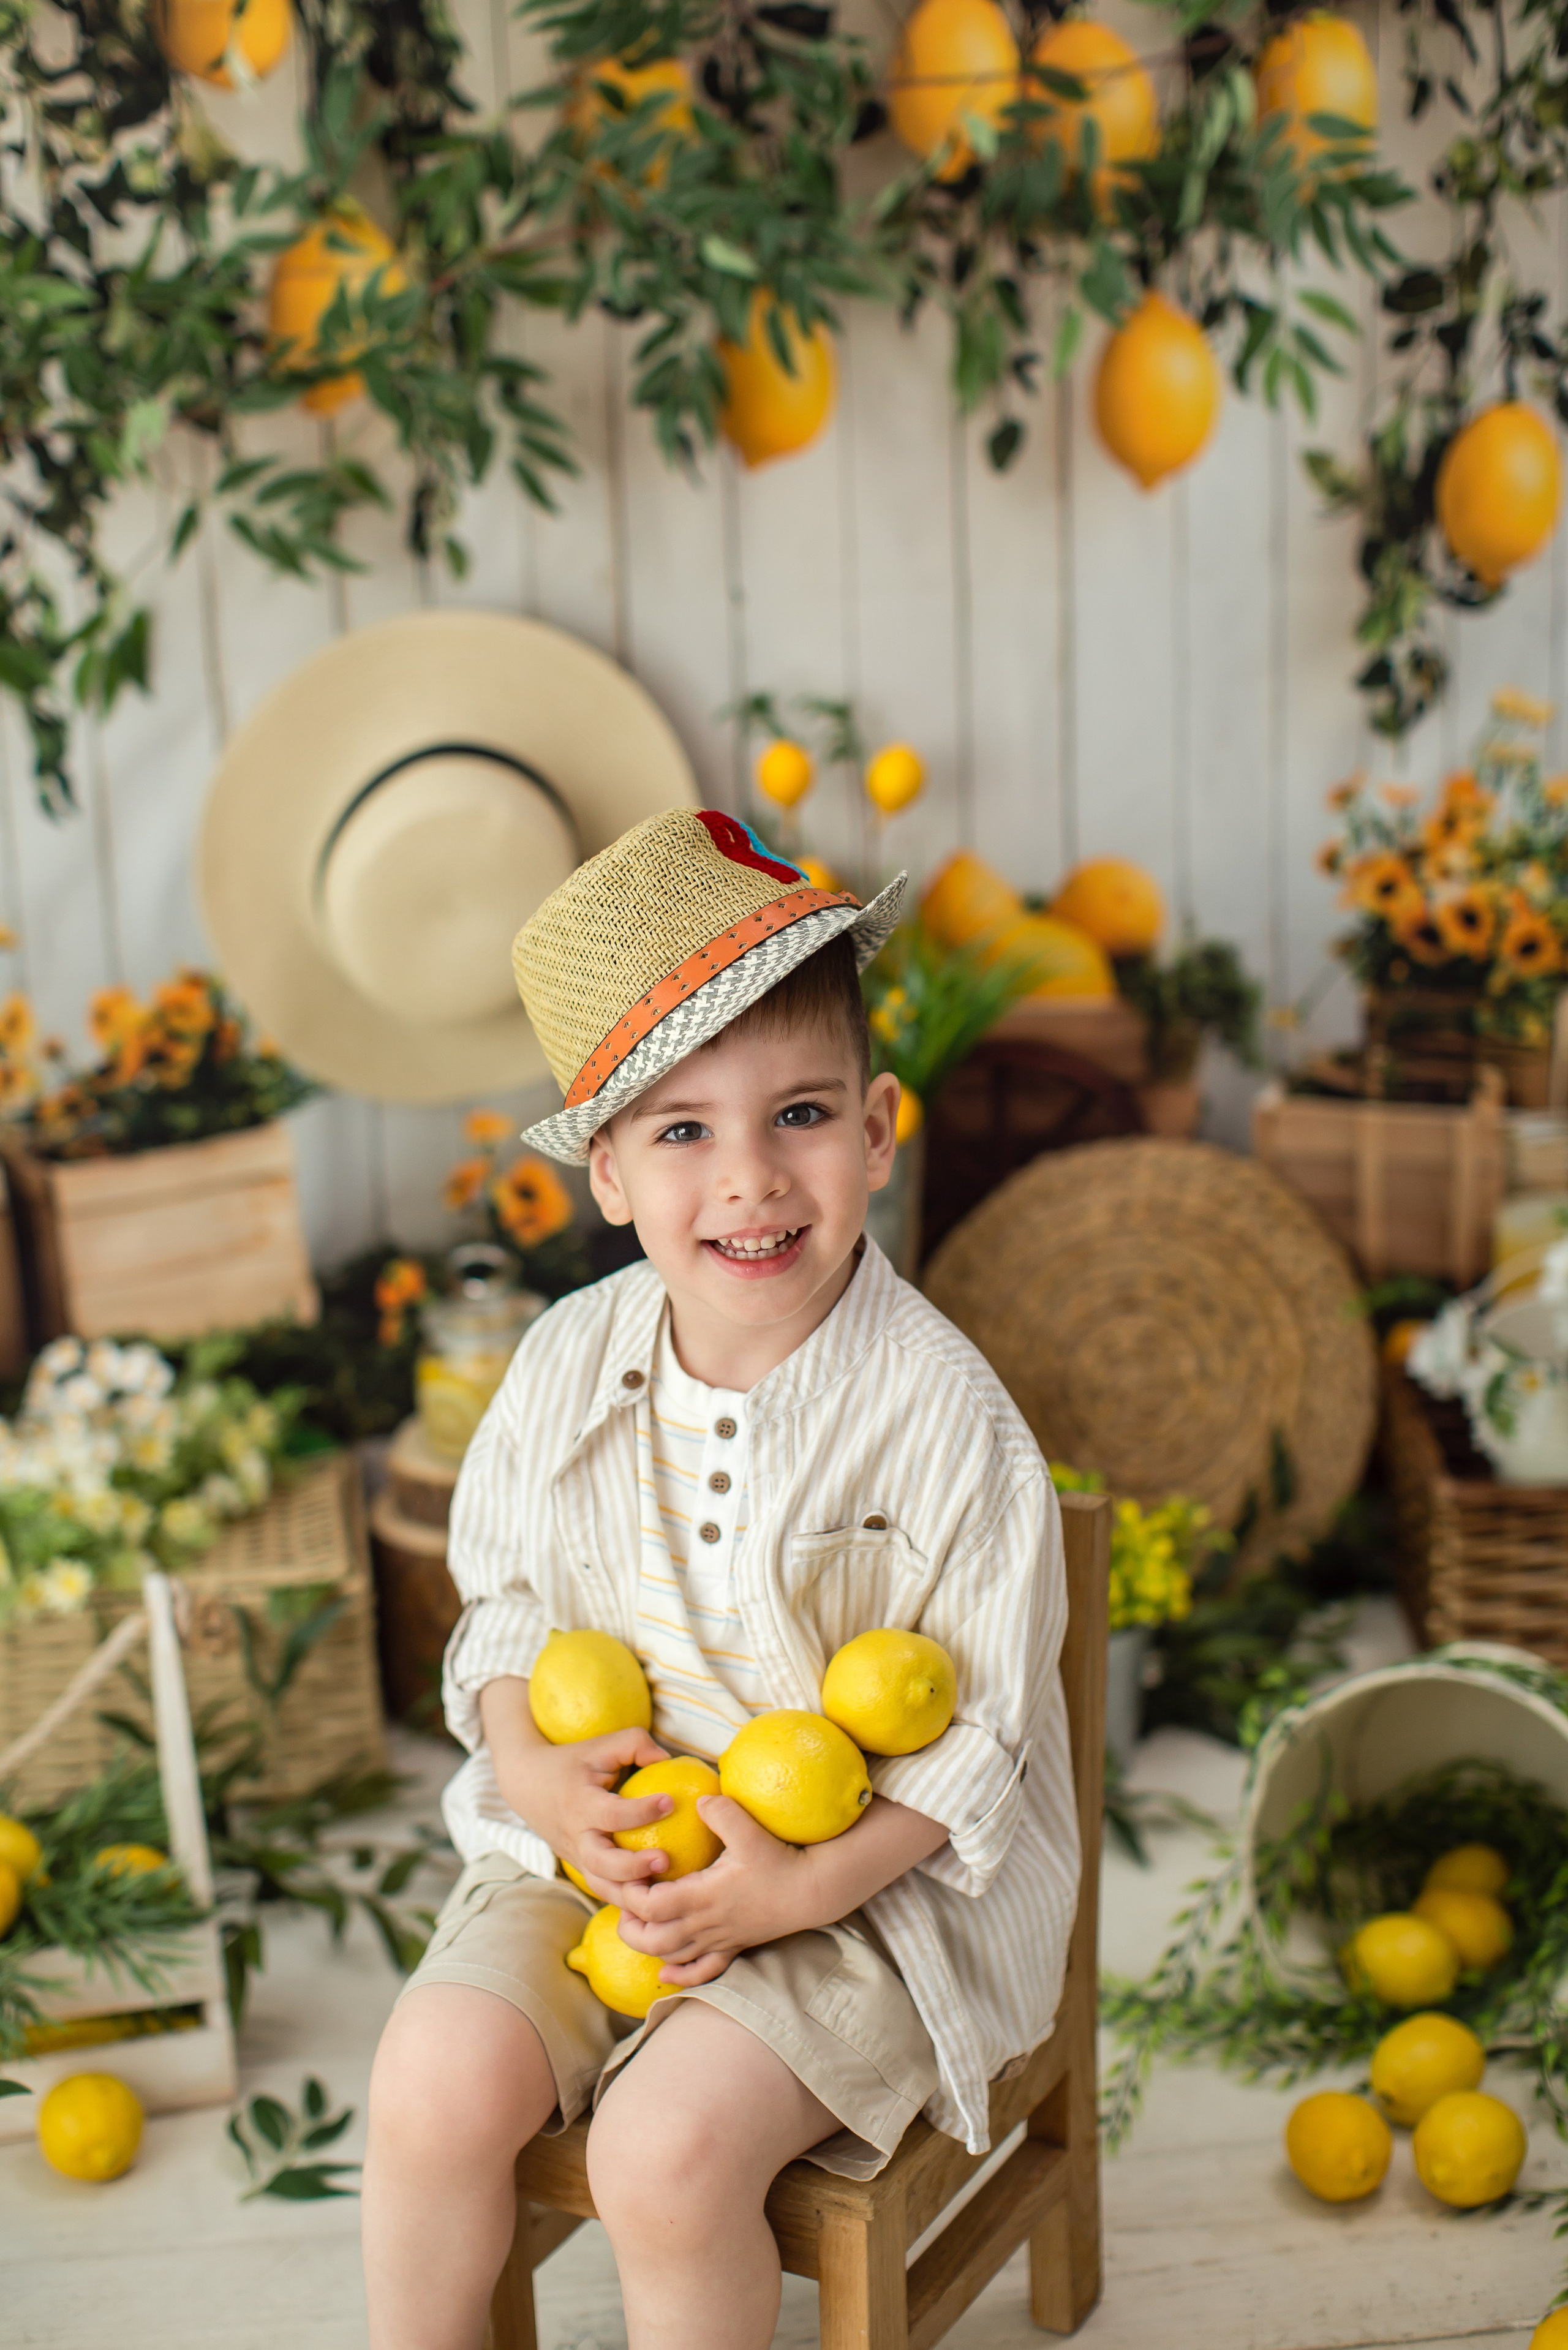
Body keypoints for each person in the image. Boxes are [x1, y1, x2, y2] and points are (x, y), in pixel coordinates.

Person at [362, 807, 1079, 2350]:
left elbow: (976, 1744)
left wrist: (793, 1883)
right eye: (682, 1131)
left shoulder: (945, 1418)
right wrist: (535, 1771)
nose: (749, 1179)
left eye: (799, 1114)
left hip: (854, 1898)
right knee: (428, 2081)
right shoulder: (564, 1364)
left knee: (661, 2155)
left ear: (877, 1128)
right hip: (589, 1857)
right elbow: (501, 1610)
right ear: (607, 1172)